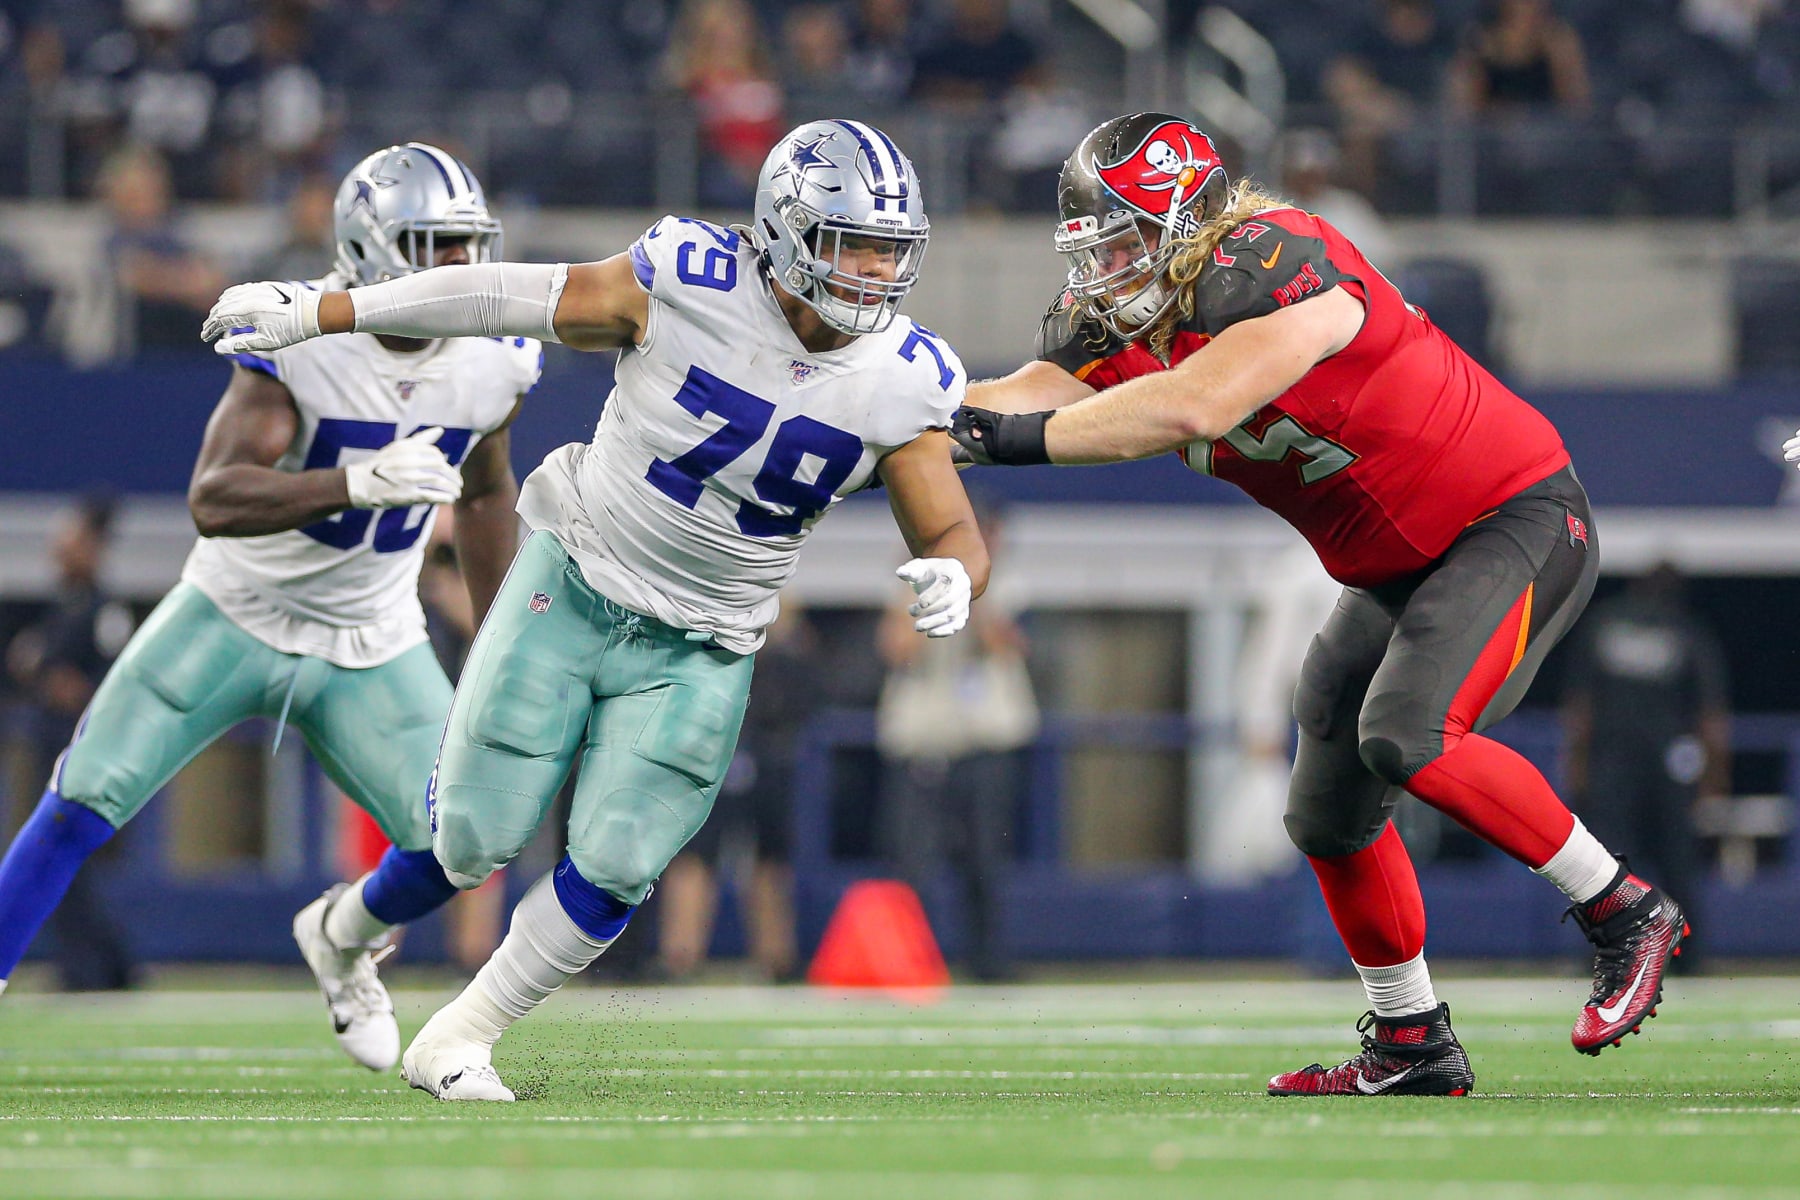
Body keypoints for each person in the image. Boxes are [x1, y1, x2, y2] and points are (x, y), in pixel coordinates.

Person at [204, 118, 989, 1103]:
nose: (877, 271)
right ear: (786, 232)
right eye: (854, 243)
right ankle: (343, 929)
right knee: (473, 838)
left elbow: (950, 526)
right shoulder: (687, 278)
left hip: (708, 641)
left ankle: (460, 1036)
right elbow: (500, 294)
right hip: (574, 580)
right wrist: (328, 309)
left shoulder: (904, 373)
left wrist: (959, 573)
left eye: (891, 248)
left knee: (620, 864)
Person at [950, 112, 1687, 1095]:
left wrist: (1001, 443)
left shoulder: (1274, 261)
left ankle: (1624, 908)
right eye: (1094, 248)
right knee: (1328, 810)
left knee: (1408, 733)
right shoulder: (1120, 321)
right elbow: (1018, 393)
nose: (1104, 272)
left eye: (1124, 243)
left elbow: (1193, 405)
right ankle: (1410, 1038)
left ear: (1186, 225)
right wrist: (901, 430)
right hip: (1393, 568)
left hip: (1512, 520)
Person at [0, 143, 537, 1080]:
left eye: (468, 247)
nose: (460, 269)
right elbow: (215, 495)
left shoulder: (495, 358)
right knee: (85, 795)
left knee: (467, 840)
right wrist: (352, 481)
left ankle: (341, 936)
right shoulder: (303, 334)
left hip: (373, 633)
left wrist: (502, 640)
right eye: (435, 246)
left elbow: (487, 493)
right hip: (237, 609)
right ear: (371, 251)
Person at [875, 499, 1038, 980]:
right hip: (922, 744)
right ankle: (912, 961)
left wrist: (971, 590)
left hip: (985, 741)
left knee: (987, 861)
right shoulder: (908, 584)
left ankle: (988, 961)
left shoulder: (1009, 585)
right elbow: (898, 651)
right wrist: (930, 590)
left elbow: (1002, 645)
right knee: (913, 862)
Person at [1563, 564, 1729, 971]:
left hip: (1621, 763)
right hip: (1659, 763)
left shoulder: (1608, 624)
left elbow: (1579, 710)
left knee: (1614, 864)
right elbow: (1711, 718)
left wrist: (1576, 766)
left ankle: (1616, 953)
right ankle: (1684, 957)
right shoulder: (1685, 628)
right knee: (1665, 861)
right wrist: (1714, 780)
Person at [4, 495, 138, 992]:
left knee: (66, 859)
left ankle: (98, 969)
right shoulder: (62, 605)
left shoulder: (105, 608)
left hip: (82, 751)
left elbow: (115, 677)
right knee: (59, 862)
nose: (60, 547)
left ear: (93, 547)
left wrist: (77, 688)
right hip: (48, 747)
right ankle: (104, 967)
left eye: (72, 538)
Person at [656, 602, 822, 983]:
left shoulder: (778, 617)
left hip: (763, 745)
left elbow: (801, 684)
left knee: (768, 859)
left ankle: (775, 958)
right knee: (696, 853)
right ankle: (680, 955)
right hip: (710, 739)